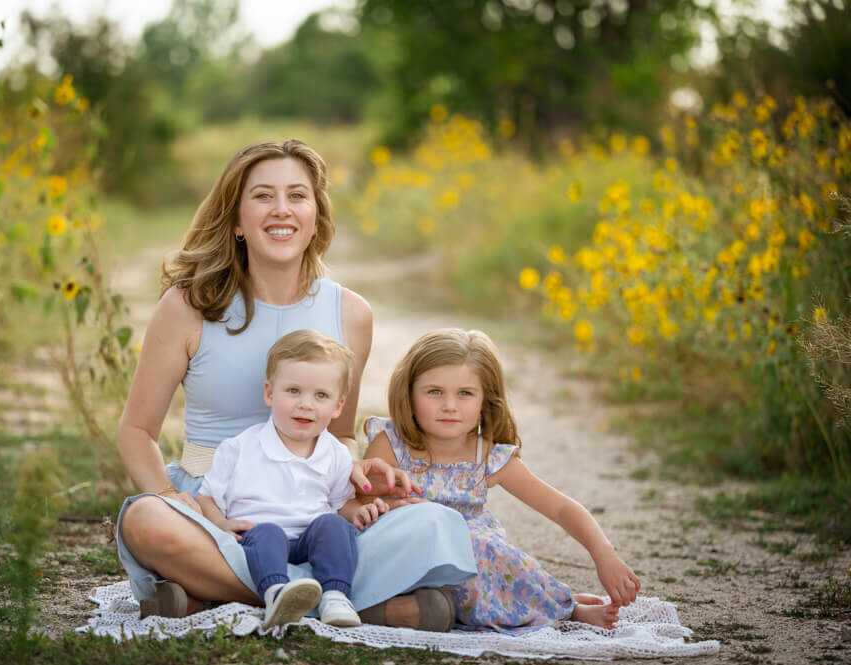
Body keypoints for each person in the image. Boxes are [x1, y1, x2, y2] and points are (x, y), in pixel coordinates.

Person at [114, 139, 475, 629]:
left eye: (297, 196)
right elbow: (137, 430)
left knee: (434, 520)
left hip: (313, 509)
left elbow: (340, 434)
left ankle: (226, 595)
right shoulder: (188, 306)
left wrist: (356, 474)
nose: (281, 209)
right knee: (145, 520)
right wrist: (167, 493)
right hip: (219, 511)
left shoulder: (351, 313)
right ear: (237, 220)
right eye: (263, 196)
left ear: (316, 217)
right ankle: (348, 600)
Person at [363, 328, 641, 634]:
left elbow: (560, 508)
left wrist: (605, 556)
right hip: (407, 557)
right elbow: (356, 508)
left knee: (484, 550)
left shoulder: (487, 456)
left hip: (466, 567)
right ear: (409, 393)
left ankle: (560, 607)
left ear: (485, 400)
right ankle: (557, 607)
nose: (450, 405)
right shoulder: (390, 445)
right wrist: (389, 509)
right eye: (434, 392)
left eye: (465, 393)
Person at [198, 329, 386, 628]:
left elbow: (340, 504)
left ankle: (335, 596)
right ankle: (277, 594)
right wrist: (220, 524)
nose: (306, 404)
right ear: (269, 393)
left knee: (334, 526)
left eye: (321, 395)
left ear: (338, 406)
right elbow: (206, 496)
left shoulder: (335, 454)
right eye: (294, 391)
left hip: (309, 540)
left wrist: (358, 513)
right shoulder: (240, 448)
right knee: (268, 532)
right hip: (259, 539)